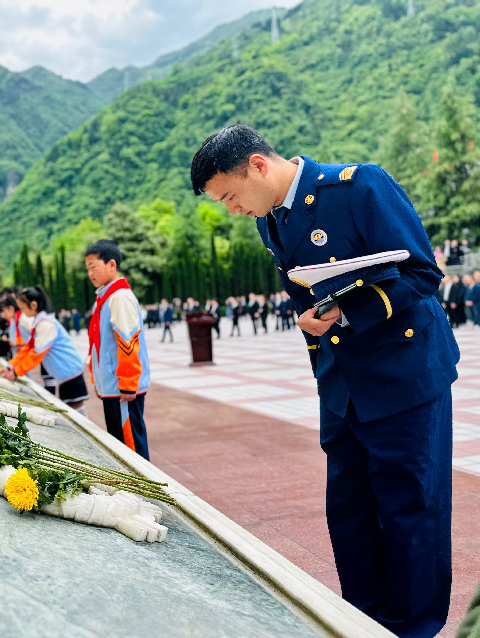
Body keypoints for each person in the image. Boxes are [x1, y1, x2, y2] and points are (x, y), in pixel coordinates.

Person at [190, 124, 459, 638]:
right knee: (350, 514)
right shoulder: (271, 220)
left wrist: (347, 312)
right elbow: (307, 297)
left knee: (411, 511)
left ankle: (414, 628)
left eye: (230, 195)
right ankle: (361, 622)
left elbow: (423, 273)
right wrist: (314, 321)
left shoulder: (359, 187)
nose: (232, 209)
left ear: (258, 167)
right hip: (342, 386)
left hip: (404, 376)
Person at [85, 239, 151, 460]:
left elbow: (128, 342)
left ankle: (145, 492)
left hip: (124, 389)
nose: (90, 273)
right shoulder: (105, 297)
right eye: (88, 269)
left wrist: (128, 384)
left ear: (111, 265)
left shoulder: (119, 297)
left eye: (94, 267)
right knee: (120, 446)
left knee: (131, 448)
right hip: (114, 386)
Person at [0, 286, 89, 416]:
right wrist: (11, 366)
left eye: (23, 308)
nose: (22, 312)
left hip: (69, 371)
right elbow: (28, 348)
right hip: (65, 373)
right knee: (72, 408)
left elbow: (35, 355)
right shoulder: (39, 323)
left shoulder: (46, 325)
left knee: (76, 409)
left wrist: (16, 372)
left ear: (34, 305)